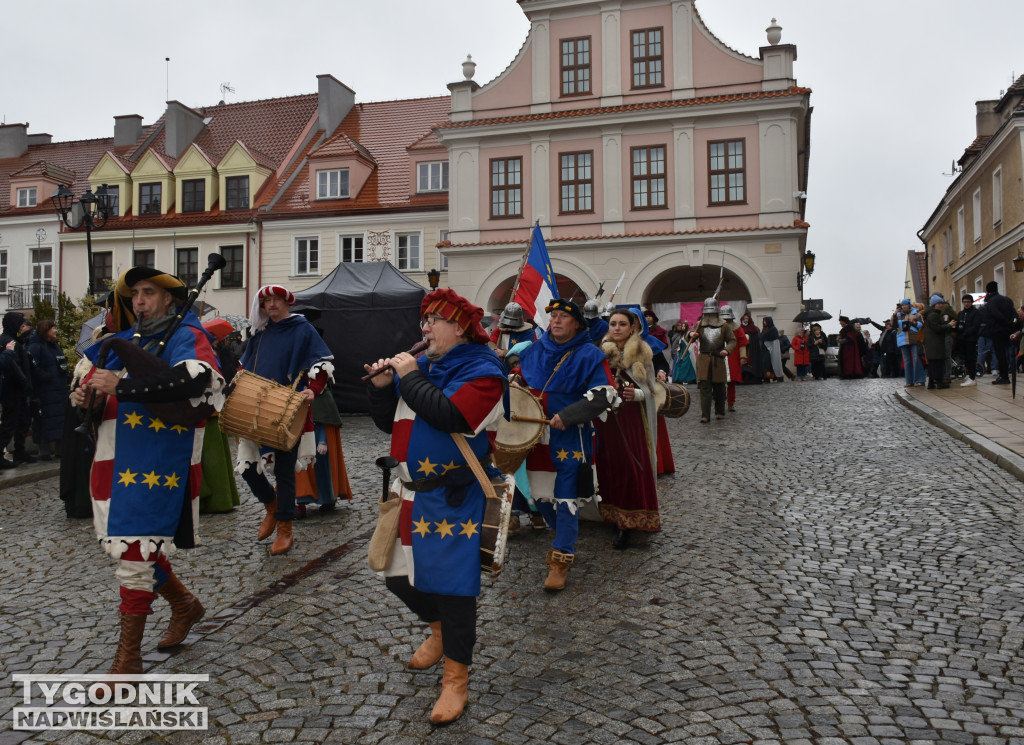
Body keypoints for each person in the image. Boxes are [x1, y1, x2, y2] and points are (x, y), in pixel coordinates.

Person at [71, 267, 225, 681]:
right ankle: (184, 604)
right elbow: (90, 384)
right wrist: (88, 393)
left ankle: (127, 664)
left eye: (148, 293)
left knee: (135, 552)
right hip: (114, 455)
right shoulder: (128, 339)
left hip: (157, 461)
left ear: (169, 298)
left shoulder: (185, 335)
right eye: (135, 294)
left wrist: (121, 387)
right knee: (131, 547)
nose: (139, 301)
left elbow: (195, 382)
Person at [364, 288, 507, 725]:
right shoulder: (424, 366)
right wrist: (383, 389)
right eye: (422, 321)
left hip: (453, 497)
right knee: (396, 576)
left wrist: (408, 377)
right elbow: (391, 422)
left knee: (454, 589)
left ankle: (456, 679)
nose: (424, 329)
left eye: (433, 321)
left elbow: (452, 417)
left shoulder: (484, 371)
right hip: (410, 493)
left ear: (460, 327)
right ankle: (438, 631)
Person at [516, 299, 617, 591]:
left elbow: (604, 396)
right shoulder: (534, 350)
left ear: (577, 324)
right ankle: (563, 533)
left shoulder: (590, 354)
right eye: (554, 316)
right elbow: (520, 382)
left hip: (571, 437)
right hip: (537, 436)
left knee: (566, 495)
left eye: (563, 317)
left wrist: (569, 415)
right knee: (540, 494)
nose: (557, 321)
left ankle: (561, 557)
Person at [238, 286, 335, 555]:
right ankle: (272, 507)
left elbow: (322, 362)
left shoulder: (302, 329)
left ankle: (285, 529)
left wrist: (312, 390)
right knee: (246, 467)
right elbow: (244, 367)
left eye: (275, 300)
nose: (270, 305)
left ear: (286, 302)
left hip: (287, 407)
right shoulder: (260, 332)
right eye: (266, 301)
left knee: (283, 470)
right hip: (256, 407)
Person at [594, 309, 661, 550]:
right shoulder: (600, 354)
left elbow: (652, 392)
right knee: (608, 466)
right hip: (605, 421)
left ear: (633, 327)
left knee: (631, 467)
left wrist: (638, 394)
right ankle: (613, 515)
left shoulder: (642, 353)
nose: (617, 328)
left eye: (623, 324)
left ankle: (629, 522)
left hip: (632, 421)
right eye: (613, 324)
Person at [197, 318, 241, 514]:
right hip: (203, 409)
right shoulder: (203, 352)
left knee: (214, 458)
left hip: (211, 410)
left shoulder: (214, 353)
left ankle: (219, 500)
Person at [295, 386, 353, 516]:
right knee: (300, 471)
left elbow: (326, 419)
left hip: (316, 440)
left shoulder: (323, 395)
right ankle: (301, 502)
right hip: (300, 438)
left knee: (323, 470)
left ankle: (327, 499)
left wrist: (323, 440)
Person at [26, 319, 71, 461]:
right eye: (53, 328)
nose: (56, 330)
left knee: (60, 422)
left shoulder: (55, 346)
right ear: (45, 330)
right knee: (44, 421)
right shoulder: (35, 347)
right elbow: (32, 369)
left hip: (59, 391)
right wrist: (48, 377)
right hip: (44, 392)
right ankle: (44, 452)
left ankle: (60, 451)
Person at [689, 298, 736, 422]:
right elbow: (689, 337)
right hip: (704, 358)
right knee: (705, 387)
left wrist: (727, 350)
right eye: (708, 312)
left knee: (720, 387)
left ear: (716, 312)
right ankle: (705, 415)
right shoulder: (699, 325)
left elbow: (732, 340)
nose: (710, 315)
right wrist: (691, 335)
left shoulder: (724, 325)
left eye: (712, 312)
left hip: (718, 358)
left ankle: (720, 411)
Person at [0, 312, 36, 468]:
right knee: (10, 422)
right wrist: (24, 382)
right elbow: (12, 365)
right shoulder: (7, 341)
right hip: (13, 388)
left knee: (23, 421)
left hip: (19, 387)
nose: (23, 326)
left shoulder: (15, 340)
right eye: (20, 323)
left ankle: (20, 451)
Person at [981, 280, 1017, 385]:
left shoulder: (991, 302)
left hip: (997, 330)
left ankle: (1004, 376)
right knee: (1008, 353)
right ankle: (1006, 374)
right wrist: (1011, 324)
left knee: (1000, 354)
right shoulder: (1007, 300)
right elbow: (1015, 315)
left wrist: (1005, 323)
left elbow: (996, 315)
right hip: (1008, 331)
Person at [924, 294, 955, 389]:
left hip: (932, 343)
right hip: (935, 344)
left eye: (941, 303)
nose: (941, 305)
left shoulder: (931, 314)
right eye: (939, 303)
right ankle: (939, 383)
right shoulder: (934, 315)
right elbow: (937, 328)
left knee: (933, 364)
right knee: (937, 364)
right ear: (934, 304)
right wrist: (949, 325)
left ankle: (931, 383)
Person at [720, 305, 747, 410]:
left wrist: (743, 357)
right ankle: (721, 401)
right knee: (719, 381)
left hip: (733, 357)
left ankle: (731, 402)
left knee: (731, 382)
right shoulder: (717, 327)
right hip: (720, 356)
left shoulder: (737, 328)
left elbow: (742, 343)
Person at [893, 299, 925, 387]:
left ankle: (919, 380)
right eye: (902, 305)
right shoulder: (898, 315)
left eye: (905, 305)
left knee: (916, 359)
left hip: (914, 338)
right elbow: (893, 325)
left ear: (909, 305)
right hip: (902, 339)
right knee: (907, 361)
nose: (904, 306)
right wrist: (894, 314)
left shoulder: (916, 314)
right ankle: (909, 381)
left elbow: (921, 325)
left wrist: (913, 322)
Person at [956, 295, 981, 387]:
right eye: (964, 302)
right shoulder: (961, 313)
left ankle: (972, 377)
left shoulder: (976, 312)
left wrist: (965, 333)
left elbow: (975, 326)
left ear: (971, 302)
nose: (966, 304)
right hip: (962, 340)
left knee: (971, 358)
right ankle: (969, 374)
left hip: (971, 339)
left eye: (968, 302)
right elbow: (959, 324)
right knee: (965, 358)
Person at [739, 312, 763, 383]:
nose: (746, 320)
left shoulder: (753, 328)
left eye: (747, 318)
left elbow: (755, 340)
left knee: (751, 362)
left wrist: (749, 339)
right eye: (745, 318)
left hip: (751, 348)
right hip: (743, 348)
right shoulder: (740, 327)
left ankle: (753, 378)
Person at [760, 316, 784, 382]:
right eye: (763, 321)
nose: (764, 322)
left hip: (771, 349)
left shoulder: (773, 329)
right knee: (765, 363)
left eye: (765, 321)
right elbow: (762, 336)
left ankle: (775, 377)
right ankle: (766, 377)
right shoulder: (764, 329)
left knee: (771, 363)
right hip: (764, 349)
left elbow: (764, 337)